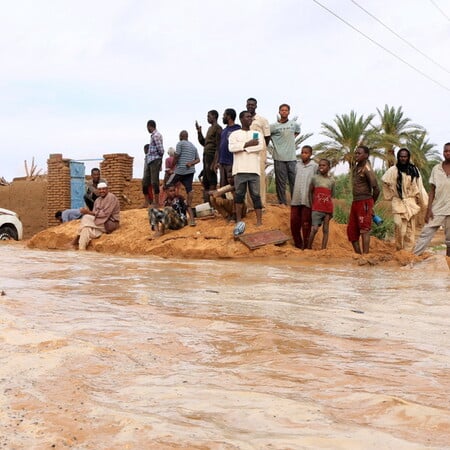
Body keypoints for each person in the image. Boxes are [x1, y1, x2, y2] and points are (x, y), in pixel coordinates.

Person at [382, 148, 428, 251]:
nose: (403, 158)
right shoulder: (392, 170)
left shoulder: (414, 170)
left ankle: (408, 251)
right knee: (398, 226)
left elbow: (420, 187)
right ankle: (399, 249)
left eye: (405, 156)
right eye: (401, 156)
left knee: (410, 229)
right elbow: (385, 183)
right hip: (398, 202)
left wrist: (424, 203)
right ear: (398, 157)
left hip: (410, 202)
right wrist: (390, 195)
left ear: (408, 157)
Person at [229, 111, 264, 231]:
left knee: (256, 195)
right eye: (247, 117)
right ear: (241, 119)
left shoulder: (256, 133)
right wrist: (248, 144)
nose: (250, 119)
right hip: (239, 170)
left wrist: (243, 148)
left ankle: (259, 221)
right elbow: (232, 148)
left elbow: (260, 147)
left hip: (254, 170)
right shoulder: (234, 134)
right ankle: (239, 220)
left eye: (251, 117)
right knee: (239, 196)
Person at [414, 142, 450, 256]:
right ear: (443, 152)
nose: (448, 153)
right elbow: (432, 191)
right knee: (425, 233)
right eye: (445, 151)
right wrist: (429, 209)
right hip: (438, 208)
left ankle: (448, 265)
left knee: (449, 241)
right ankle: (412, 259)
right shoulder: (436, 168)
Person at [347, 145, 380, 254]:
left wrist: (371, 205)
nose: (356, 155)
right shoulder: (357, 168)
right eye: (355, 153)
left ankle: (365, 257)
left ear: (366, 155)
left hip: (364, 202)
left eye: (359, 153)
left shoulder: (367, 169)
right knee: (352, 232)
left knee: (364, 230)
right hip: (355, 202)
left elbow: (376, 189)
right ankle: (359, 256)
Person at [73, 182, 120, 250]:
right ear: (98, 190)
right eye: (100, 189)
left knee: (86, 217)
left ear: (107, 189)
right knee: (85, 230)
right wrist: (88, 212)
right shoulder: (97, 200)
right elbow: (94, 214)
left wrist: (88, 212)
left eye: (103, 189)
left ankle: (75, 239)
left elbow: (105, 214)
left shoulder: (111, 197)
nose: (102, 191)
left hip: (110, 223)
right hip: (101, 226)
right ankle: (82, 251)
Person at [270, 104, 301, 205]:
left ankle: (295, 202)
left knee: (294, 181)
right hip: (279, 157)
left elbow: (297, 132)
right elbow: (267, 136)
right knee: (280, 182)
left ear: (289, 112)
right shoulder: (273, 126)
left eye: (286, 110)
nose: (284, 112)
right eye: (282, 110)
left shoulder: (294, 124)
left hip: (291, 157)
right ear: (279, 112)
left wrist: (289, 141)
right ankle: (282, 203)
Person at [290, 145, 318, 249]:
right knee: (294, 222)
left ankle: (306, 246)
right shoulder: (297, 165)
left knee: (306, 224)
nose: (303, 154)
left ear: (310, 154)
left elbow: (316, 182)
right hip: (296, 199)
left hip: (307, 200)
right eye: (302, 152)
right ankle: (298, 244)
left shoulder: (314, 166)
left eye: (306, 153)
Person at [171, 130, 200, 226]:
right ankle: (191, 215)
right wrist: (191, 163)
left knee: (168, 184)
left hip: (180, 170)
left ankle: (164, 204)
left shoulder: (180, 144)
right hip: (190, 171)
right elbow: (198, 159)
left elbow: (176, 156)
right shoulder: (193, 146)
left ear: (180, 136)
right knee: (189, 190)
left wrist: (172, 166)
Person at [246, 98, 271, 206]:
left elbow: (267, 137)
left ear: (256, 106)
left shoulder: (262, 120)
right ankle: (250, 205)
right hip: (247, 152)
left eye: (252, 105)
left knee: (260, 176)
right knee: (247, 176)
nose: (250, 106)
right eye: (249, 104)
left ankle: (261, 203)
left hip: (259, 152)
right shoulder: (244, 119)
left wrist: (260, 147)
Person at [307, 159, 335, 250]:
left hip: (327, 209)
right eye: (320, 165)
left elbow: (331, 195)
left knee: (326, 230)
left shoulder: (332, 181)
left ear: (329, 167)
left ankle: (323, 249)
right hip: (316, 208)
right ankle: (308, 248)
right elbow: (310, 192)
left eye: (324, 165)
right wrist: (312, 205)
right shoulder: (315, 178)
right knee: (314, 229)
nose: (321, 167)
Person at [196, 110, 222, 201]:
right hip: (206, 157)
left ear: (214, 116)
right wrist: (199, 132)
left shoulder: (218, 128)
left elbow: (219, 146)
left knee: (212, 180)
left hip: (212, 157)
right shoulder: (210, 129)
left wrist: (215, 162)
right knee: (206, 180)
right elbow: (204, 143)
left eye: (209, 116)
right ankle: (207, 203)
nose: (207, 118)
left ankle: (213, 203)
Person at [217, 108, 241, 189]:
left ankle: (234, 201)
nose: (222, 117)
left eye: (224, 115)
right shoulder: (224, 130)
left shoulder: (238, 129)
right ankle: (224, 201)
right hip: (222, 162)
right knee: (222, 185)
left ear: (229, 116)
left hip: (231, 162)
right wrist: (218, 161)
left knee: (231, 184)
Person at [146, 119, 164, 206]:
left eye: (147, 127)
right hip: (151, 160)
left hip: (155, 160)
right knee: (148, 181)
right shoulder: (154, 135)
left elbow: (161, 150)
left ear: (150, 126)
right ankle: (150, 202)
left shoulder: (156, 135)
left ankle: (156, 202)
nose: (147, 129)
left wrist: (158, 159)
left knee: (154, 181)